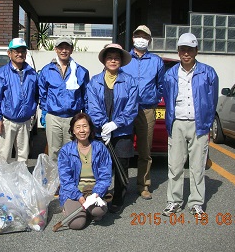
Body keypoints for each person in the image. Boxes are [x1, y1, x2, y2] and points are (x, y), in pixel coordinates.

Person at [161, 32, 218, 220]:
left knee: (197, 166)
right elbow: (168, 98)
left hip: (199, 124)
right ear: (178, 51)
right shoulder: (170, 74)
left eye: (190, 49)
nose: (186, 53)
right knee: (175, 166)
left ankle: (196, 203)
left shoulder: (208, 72)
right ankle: (174, 201)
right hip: (177, 123)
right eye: (183, 49)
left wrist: (208, 123)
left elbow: (212, 100)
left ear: (196, 51)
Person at [87, 43, 138, 213]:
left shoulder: (130, 81)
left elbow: (131, 107)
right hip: (101, 132)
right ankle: (99, 195)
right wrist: (103, 126)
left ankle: (118, 198)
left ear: (121, 61)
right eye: (110, 57)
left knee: (121, 164)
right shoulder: (95, 81)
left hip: (123, 130)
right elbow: (92, 107)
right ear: (104, 61)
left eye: (116, 58)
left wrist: (115, 124)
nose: (113, 60)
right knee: (101, 165)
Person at [121, 25, 165, 200]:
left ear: (149, 40)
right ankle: (122, 186)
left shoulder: (156, 61)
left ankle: (143, 185)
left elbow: (161, 85)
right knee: (123, 148)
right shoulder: (124, 59)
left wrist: (153, 98)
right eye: (138, 35)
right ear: (132, 38)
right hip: (125, 110)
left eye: (144, 36)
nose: (141, 39)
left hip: (147, 109)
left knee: (145, 151)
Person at [57, 113, 112, 230]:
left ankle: (89, 210)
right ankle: (73, 208)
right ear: (73, 130)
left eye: (85, 126)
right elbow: (65, 179)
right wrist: (79, 196)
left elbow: (105, 176)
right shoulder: (66, 151)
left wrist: (96, 193)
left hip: (93, 190)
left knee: (99, 211)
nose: (82, 130)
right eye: (78, 127)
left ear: (90, 128)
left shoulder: (100, 148)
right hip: (75, 191)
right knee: (76, 224)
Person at [38, 37, 90, 161]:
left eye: (67, 47)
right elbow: (42, 94)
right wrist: (45, 113)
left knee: (72, 151)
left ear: (71, 50)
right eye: (61, 47)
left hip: (73, 117)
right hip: (53, 117)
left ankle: (70, 179)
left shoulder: (81, 71)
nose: (64, 50)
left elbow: (86, 96)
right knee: (53, 151)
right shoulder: (47, 70)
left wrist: (86, 117)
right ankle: (55, 179)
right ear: (56, 50)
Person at [0, 38, 38, 163]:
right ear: (9, 53)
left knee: (23, 156)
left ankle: (21, 181)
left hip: (25, 121)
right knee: (3, 156)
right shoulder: (0, 74)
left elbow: (36, 95)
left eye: (22, 51)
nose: (20, 54)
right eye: (16, 51)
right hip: (7, 121)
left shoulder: (32, 74)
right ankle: (1, 181)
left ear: (26, 53)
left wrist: (32, 113)